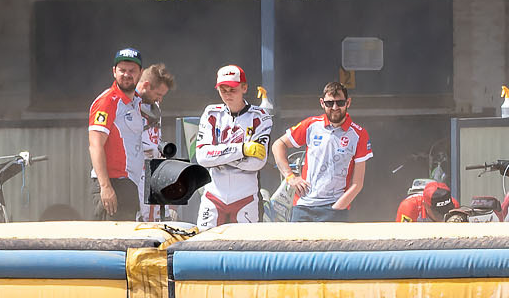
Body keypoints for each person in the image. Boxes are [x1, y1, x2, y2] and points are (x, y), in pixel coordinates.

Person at [193, 65, 272, 227]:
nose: (228, 94)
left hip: (246, 197)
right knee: (203, 245)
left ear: (244, 88)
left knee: (245, 248)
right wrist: (242, 150)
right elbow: (202, 157)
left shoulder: (260, 117)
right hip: (213, 195)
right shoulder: (211, 114)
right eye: (223, 89)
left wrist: (218, 157)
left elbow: (256, 163)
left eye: (232, 89)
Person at [284, 81, 370, 222]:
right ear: (322, 103)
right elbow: (278, 145)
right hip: (303, 206)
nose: (335, 107)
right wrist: (290, 176)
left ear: (348, 103)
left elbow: (358, 183)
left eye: (340, 103)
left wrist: (337, 207)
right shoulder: (311, 125)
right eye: (330, 103)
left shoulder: (359, 134)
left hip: (334, 208)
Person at [87, 46, 152, 220]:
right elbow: (95, 145)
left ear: (140, 73)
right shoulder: (107, 101)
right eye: (122, 70)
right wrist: (105, 187)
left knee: (128, 243)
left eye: (132, 71)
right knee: (110, 245)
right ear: (114, 71)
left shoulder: (136, 101)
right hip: (112, 184)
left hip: (130, 184)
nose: (126, 74)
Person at [135, 62, 187, 220]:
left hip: (152, 171)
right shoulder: (127, 103)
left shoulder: (155, 105)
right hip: (133, 173)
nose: (160, 99)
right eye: (158, 94)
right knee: (139, 220)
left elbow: (154, 136)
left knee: (155, 219)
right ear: (146, 85)